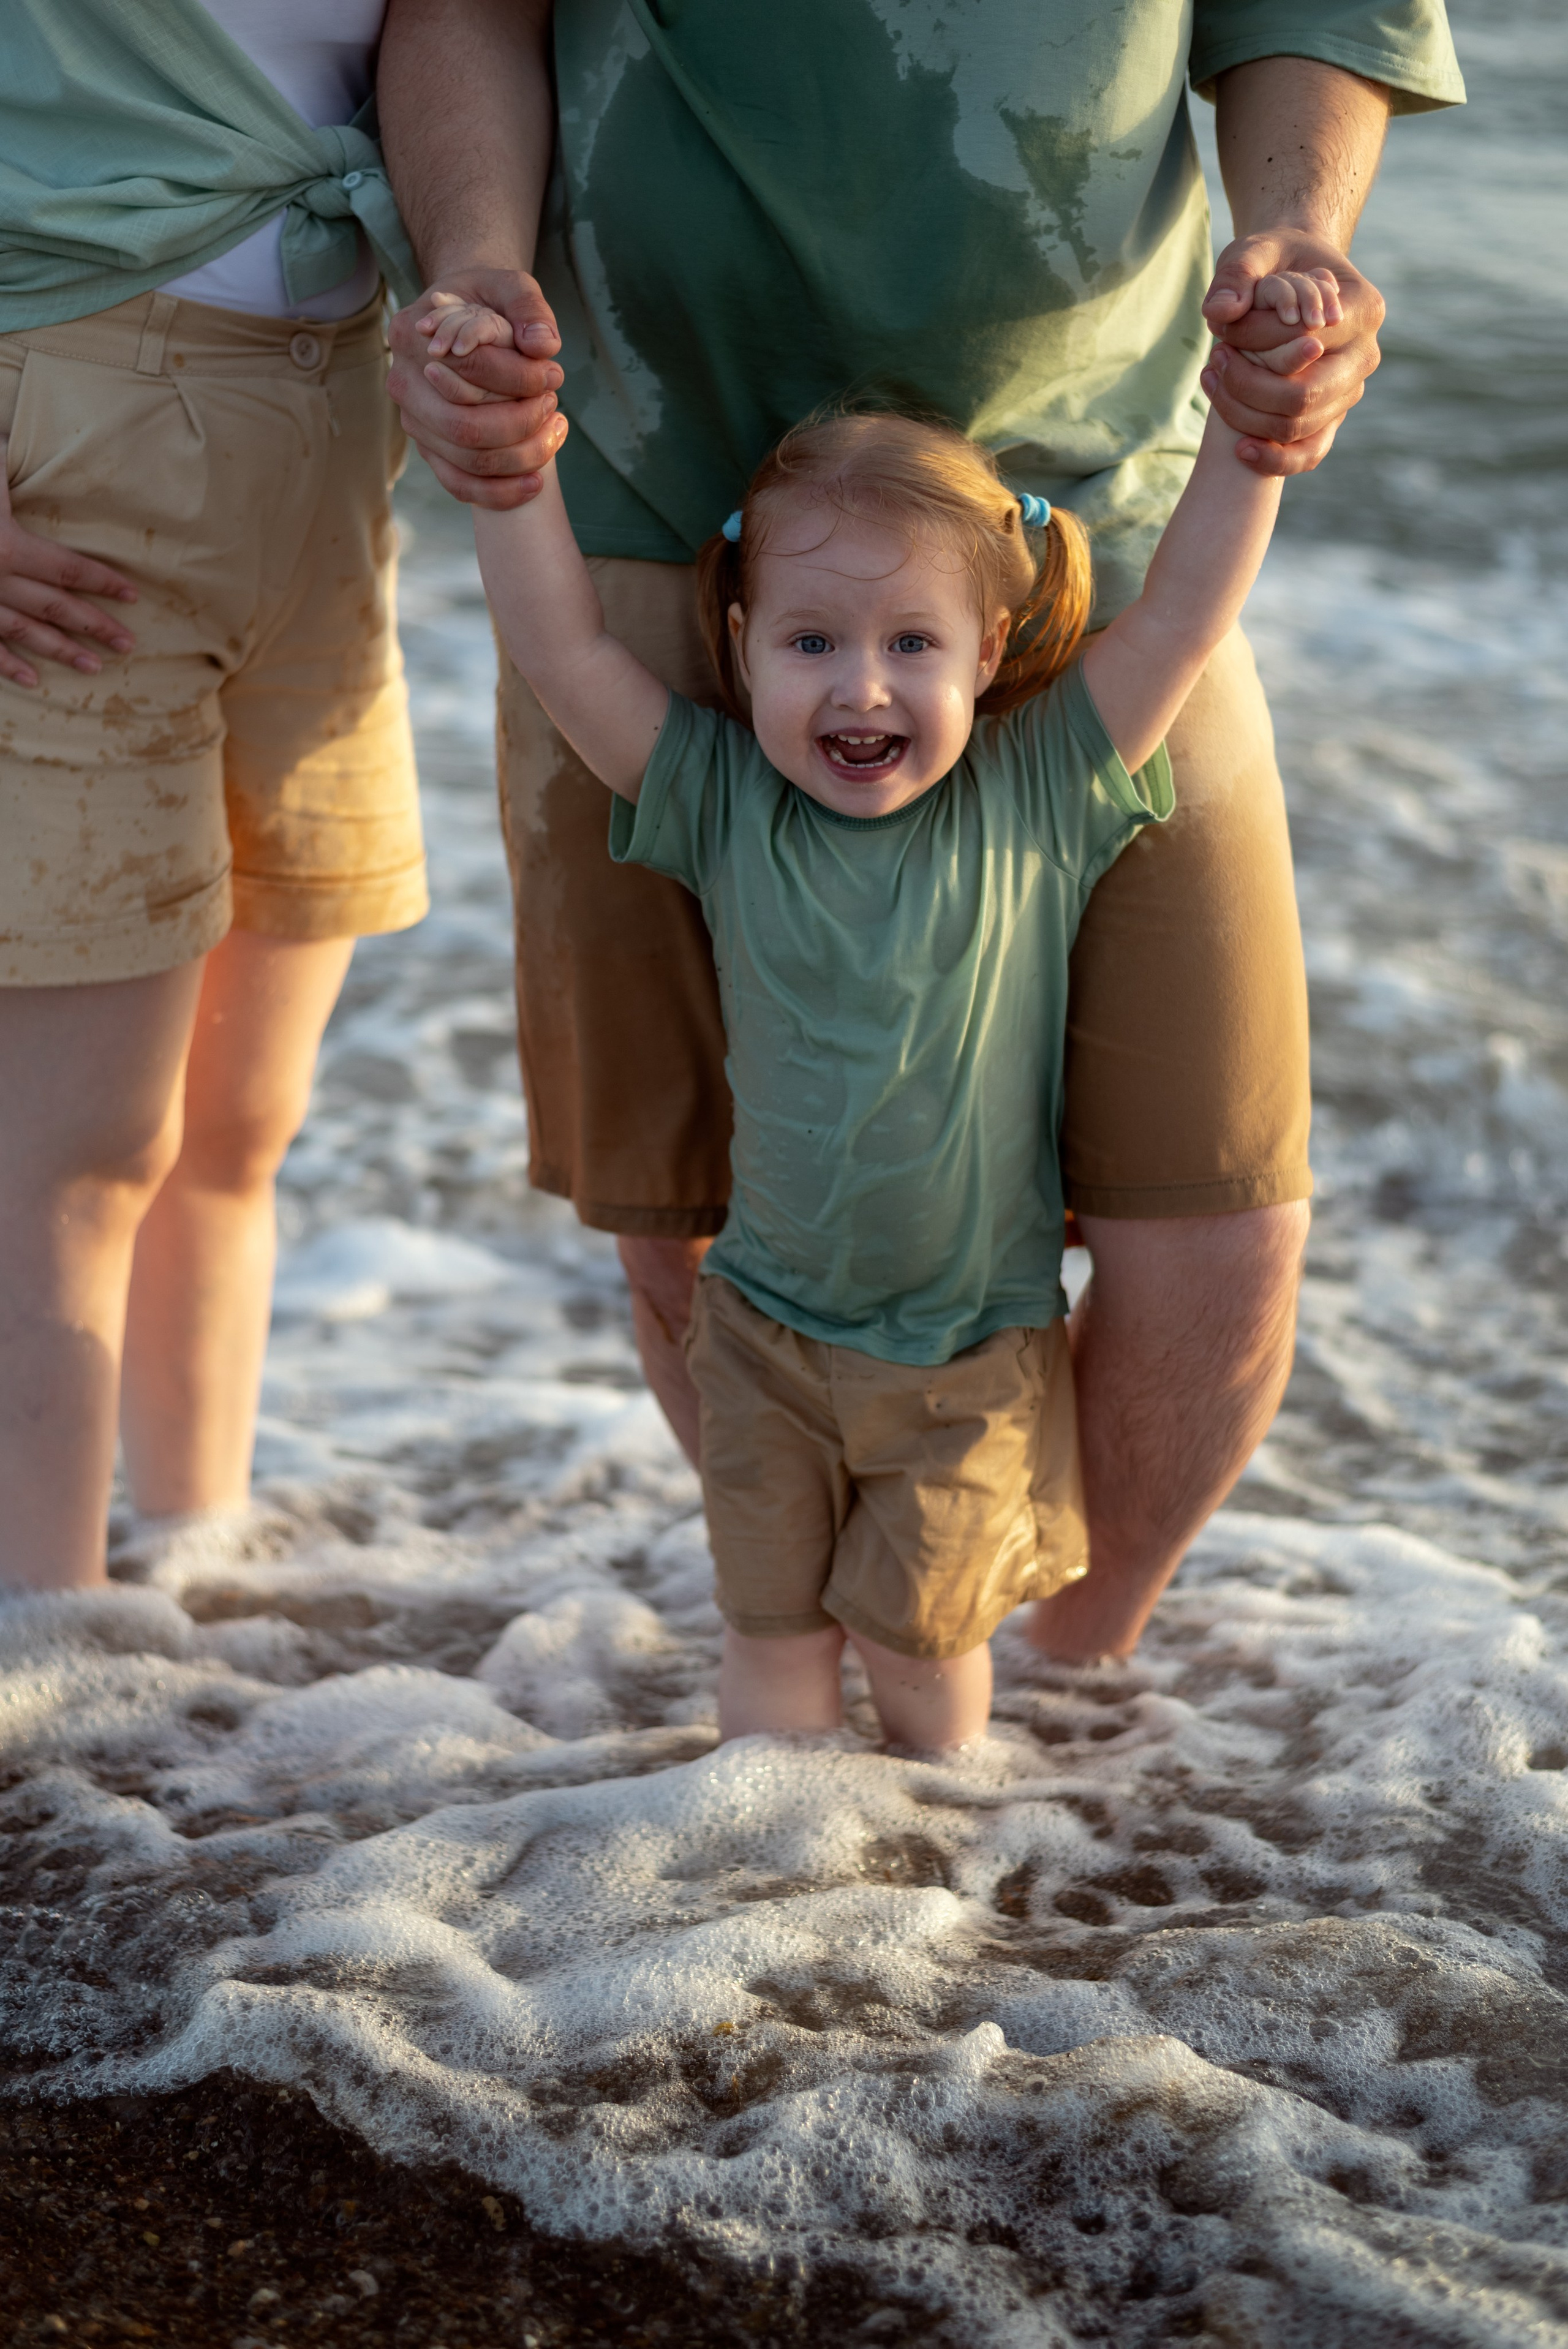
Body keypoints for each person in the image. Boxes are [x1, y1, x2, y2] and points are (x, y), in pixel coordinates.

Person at [378, 1, 1464, 1663]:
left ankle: (1064, 1684)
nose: (861, 691)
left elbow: (1312, 18)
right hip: (653, 485)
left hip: (1094, 501)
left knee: (1222, 1224)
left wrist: (1292, 277)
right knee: (684, 1227)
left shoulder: (1078, 734)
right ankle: (841, 1689)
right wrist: (478, 299)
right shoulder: (699, 762)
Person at [431, 252, 1324, 1743]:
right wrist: (509, 478)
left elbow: (1176, 615)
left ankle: (924, 1869)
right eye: (812, 643)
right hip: (761, 1341)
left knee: (922, 1672)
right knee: (768, 1650)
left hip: (964, 1362)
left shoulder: (1039, 793)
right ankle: (763, 1858)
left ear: (989, 652)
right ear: (740, 648)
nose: (860, 687)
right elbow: (562, 646)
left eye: (912, 643)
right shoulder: (719, 799)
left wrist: (1249, 440)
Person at [0, 1, 426, 1592]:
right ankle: (47, 1647)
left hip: (337, 431)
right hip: (67, 415)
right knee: (77, 1148)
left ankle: (204, 1572)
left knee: (238, 1125)